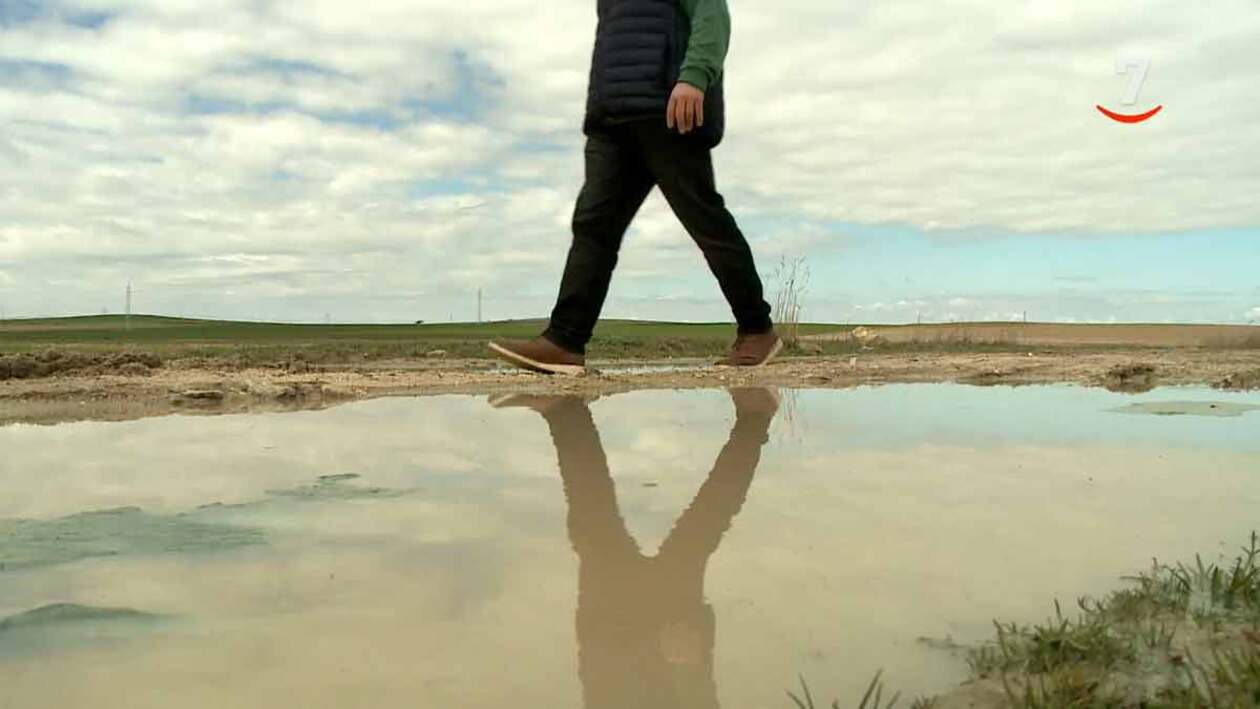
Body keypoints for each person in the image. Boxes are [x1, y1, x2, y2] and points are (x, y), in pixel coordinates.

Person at [489, 0, 781, 376]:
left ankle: (757, 329)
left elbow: (712, 14)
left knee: (705, 220)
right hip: (611, 119)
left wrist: (694, 76)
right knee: (593, 227)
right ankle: (565, 341)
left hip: (667, 109)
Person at [489, 388, 779, 707]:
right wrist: (690, 670)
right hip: (664, 651)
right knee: (698, 533)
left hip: (608, 638)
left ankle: (567, 416)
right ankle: (755, 420)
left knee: (593, 534)